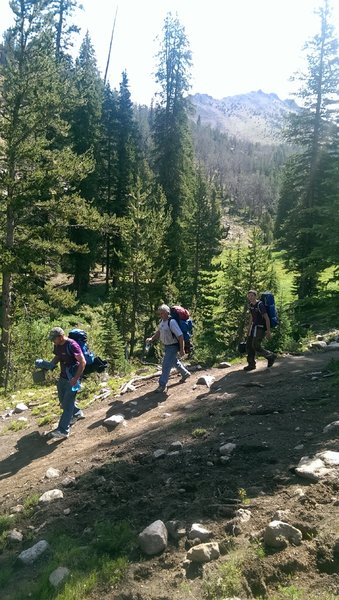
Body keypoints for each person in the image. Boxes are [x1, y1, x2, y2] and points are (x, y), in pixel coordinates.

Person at [48, 327, 86, 439]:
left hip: (73, 377)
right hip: (63, 377)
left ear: (60, 337)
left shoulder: (72, 345)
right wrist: (49, 365)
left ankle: (63, 430)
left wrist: (75, 378)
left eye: (53, 339)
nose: (52, 341)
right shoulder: (58, 345)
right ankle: (77, 413)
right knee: (62, 400)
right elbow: (58, 356)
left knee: (68, 404)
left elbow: (82, 362)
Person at [146, 304, 191, 393]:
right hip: (167, 346)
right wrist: (152, 338)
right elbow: (159, 331)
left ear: (167, 313)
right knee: (174, 361)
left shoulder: (172, 322)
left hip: (173, 346)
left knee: (166, 365)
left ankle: (162, 385)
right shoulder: (162, 322)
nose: (160, 315)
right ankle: (185, 374)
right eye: (160, 314)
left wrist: (182, 349)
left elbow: (180, 336)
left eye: (162, 313)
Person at [244, 290, 277, 371]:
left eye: (252, 296)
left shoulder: (260, 305)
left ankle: (270, 356)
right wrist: (248, 329)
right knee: (249, 345)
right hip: (253, 327)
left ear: (255, 296)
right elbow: (252, 317)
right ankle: (251, 364)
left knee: (256, 345)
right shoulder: (251, 305)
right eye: (249, 296)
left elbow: (266, 318)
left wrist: (268, 331)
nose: (250, 297)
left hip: (260, 328)